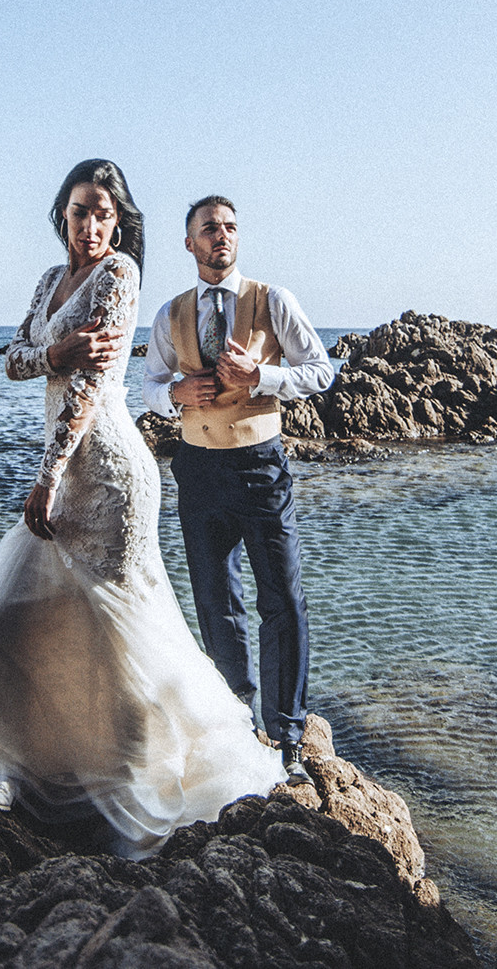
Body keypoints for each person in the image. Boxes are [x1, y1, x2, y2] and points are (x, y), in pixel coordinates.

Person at [0, 160, 283, 857]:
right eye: (81, 211)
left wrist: (48, 475)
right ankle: (7, 767)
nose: (91, 225)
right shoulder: (50, 283)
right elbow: (15, 359)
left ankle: (139, 774)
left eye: (103, 214)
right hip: (61, 475)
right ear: (63, 213)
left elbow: (86, 387)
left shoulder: (120, 276)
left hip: (106, 474)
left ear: (119, 223)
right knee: (11, 613)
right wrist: (53, 345)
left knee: (122, 627)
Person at [141, 196, 335, 783]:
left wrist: (263, 376)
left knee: (282, 599)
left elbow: (322, 371)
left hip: (259, 463)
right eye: (209, 229)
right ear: (189, 243)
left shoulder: (273, 301)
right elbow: (147, 383)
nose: (221, 236)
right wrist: (176, 396)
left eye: (229, 227)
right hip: (196, 469)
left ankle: (287, 735)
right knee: (216, 604)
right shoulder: (170, 314)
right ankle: (234, 722)